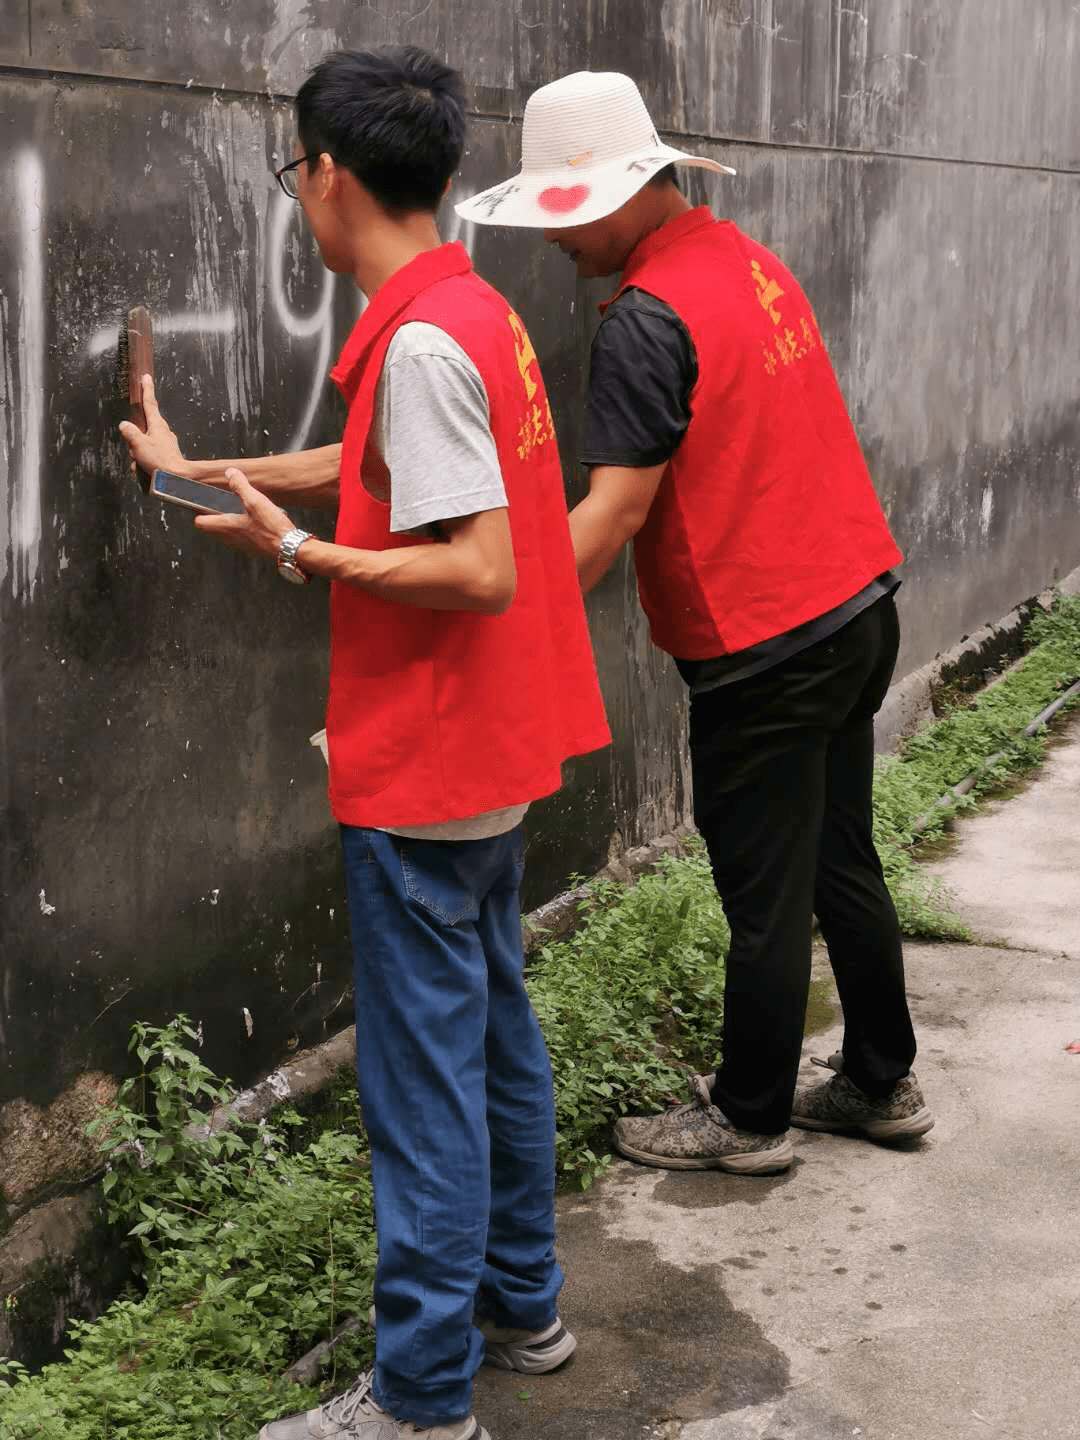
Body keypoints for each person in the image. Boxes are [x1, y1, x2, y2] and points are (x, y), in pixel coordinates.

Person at [120, 46, 610, 1440]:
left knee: (424, 1086)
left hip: (429, 767)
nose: (300, 199)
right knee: (500, 1040)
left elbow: (480, 567)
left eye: (297, 173)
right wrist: (201, 470)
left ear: (328, 177)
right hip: (490, 759)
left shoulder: (427, 340)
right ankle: (524, 1307)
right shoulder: (462, 314)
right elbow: (380, 459)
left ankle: (419, 1399)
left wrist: (310, 556)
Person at [456, 70, 933, 1179]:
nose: (556, 244)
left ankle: (750, 1117)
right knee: (837, 856)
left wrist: (503, 617)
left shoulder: (644, 321)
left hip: (767, 643)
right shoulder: (745, 263)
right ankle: (877, 1078)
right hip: (858, 607)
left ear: (622, 193)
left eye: (564, 215)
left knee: (764, 891)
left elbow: (612, 515)